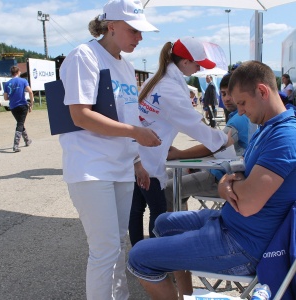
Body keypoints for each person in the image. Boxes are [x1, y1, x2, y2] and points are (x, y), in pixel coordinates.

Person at [127, 60, 296, 300]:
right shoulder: (269, 127)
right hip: (232, 224)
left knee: (139, 257)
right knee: (163, 222)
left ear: (262, 91)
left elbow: (247, 203)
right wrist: (232, 182)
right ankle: (186, 294)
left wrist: (225, 184)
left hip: (244, 245)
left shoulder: (285, 136)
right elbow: (241, 173)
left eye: (242, 103)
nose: (239, 111)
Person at [59, 1, 161, 299]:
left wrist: (137, 160)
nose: (139, 38)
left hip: (119, 166)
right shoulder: (85, 56)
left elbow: (127, 116)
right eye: (134, 30)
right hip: (91, 167)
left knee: (116, 246)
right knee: (104, 251)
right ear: (111, 26)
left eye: (142, 32)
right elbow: (80, 115)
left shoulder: (127, 67)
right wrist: (135, 134)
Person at [128, 37, 232, 247]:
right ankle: (153, 262)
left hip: (136, 156)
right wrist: (222, 140)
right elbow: (193, 124)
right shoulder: (170, 88)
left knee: (136, 209)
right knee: (159, 213)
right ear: (184, 62)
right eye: (197, 64)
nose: (198, 68)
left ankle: (138, 256)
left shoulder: (155, 80)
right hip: (149, 159)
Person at [164, 72, 257, 211]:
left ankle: (176, 227)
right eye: (223, 94)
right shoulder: (240, 116)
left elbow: (215, 145)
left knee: (169, 188)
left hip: (221, 177)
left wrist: (180, 154)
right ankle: (183, 224)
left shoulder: (239, 118)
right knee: (170, 179)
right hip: (222, 171)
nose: (226, 98)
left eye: (230, 94)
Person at [3, 66, 34, 152]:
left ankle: (27, 140)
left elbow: (5, 98)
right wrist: (31, 102)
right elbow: (30, 91)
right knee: (20, 123)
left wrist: (12, 97)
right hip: (22, 105)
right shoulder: (23, 81)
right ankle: (15, 145)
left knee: (20, 122)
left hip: (13, 106)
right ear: (18, 72)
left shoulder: (7, 83)